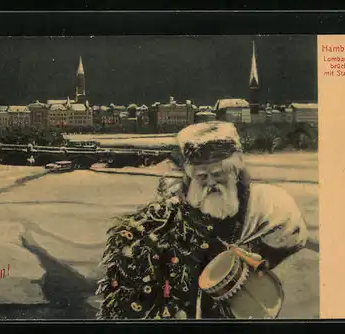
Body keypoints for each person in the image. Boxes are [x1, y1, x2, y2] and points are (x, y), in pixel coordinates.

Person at [95, 121, 308, 320]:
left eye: (218, 174)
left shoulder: (268, 204)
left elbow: (290, 236)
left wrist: (258, 257)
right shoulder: (174, 207)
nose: (211, 183)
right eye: (202, 177)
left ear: (235, 171)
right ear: (190, 176)